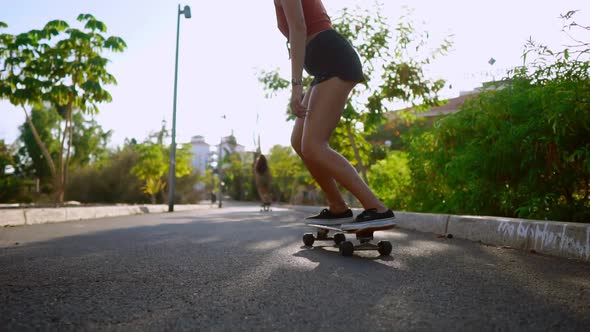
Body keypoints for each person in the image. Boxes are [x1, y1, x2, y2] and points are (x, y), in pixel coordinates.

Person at [273, 0, 395, 226]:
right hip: (323, 64)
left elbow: (299, 27)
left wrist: (296, 86)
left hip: (334, 60)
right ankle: (338, 207)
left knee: (314, 145)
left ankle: (377, 208)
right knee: (299, 142)